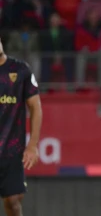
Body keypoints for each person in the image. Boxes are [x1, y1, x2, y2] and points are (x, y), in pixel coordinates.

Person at [0, 38, 43, 216]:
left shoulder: (20, 70)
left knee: (13, 201)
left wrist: (32, 145)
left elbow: (35, 107)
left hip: (12, 150)